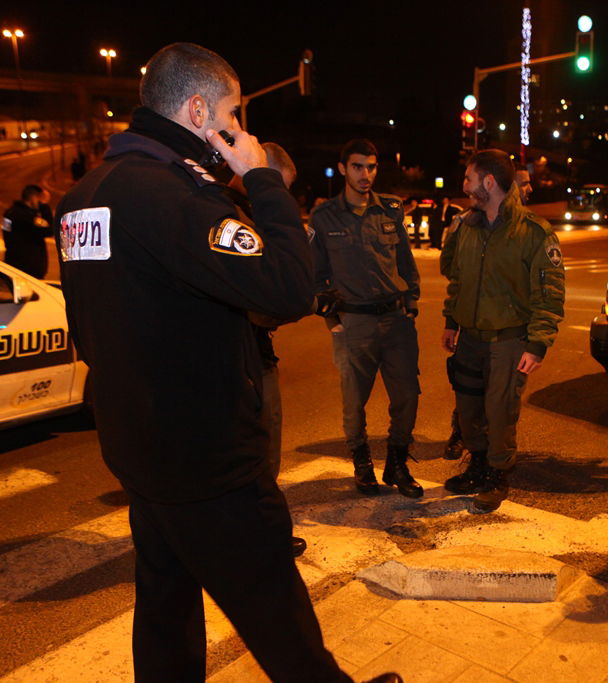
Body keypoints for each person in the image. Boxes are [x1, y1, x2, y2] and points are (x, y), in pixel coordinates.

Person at [54, 42, 398, 683]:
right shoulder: (176, 197)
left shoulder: (83, 196)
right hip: (207, 457)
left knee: (166, 610)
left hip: (137, 447)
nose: (240, 127)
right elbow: (290, 288)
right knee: (278, 615)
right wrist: (262, 179)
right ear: (197, 111)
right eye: (232, 113)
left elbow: (87, 328)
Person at [440, 149, 565, 512]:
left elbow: (550, 293)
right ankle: (478, 464)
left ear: (489, 182)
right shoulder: (467, 226)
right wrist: (451, 321)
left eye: (469, 178)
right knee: (468, 410)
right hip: (470, 338)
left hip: (508, 340)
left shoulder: (532, 232)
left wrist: (537, 344)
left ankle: (498, 473)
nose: (465, 185)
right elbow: (457, 278)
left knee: (500, 412)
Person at [309, 139, 423, 499]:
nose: (366, 174)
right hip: (354, 322)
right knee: (353, 401)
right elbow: (316, 275)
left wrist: (411, 302)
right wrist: (332, 320)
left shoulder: (389, 209)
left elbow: (405, 262)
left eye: (371, 167)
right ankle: (362, 463)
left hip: (395, 320)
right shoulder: (324, 217)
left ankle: (397, 462)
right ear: (343, 169)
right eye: (358, 166)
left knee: (407, 396)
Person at [230, 141, 308, 559]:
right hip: (244, 354)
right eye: (279, 187)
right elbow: (267, 299)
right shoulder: (235, 216)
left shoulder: (224, 207)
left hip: (240, 351)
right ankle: (260, 535)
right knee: (259, 447)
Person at [1, 184, 51, 278]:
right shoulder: (29, 217)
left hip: (12, 262)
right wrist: (44, 206)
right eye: (39, 199)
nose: (39, 203)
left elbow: (5, 231)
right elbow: (48, 230)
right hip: (29, 268)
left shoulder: (8, 213)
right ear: (33, 198)